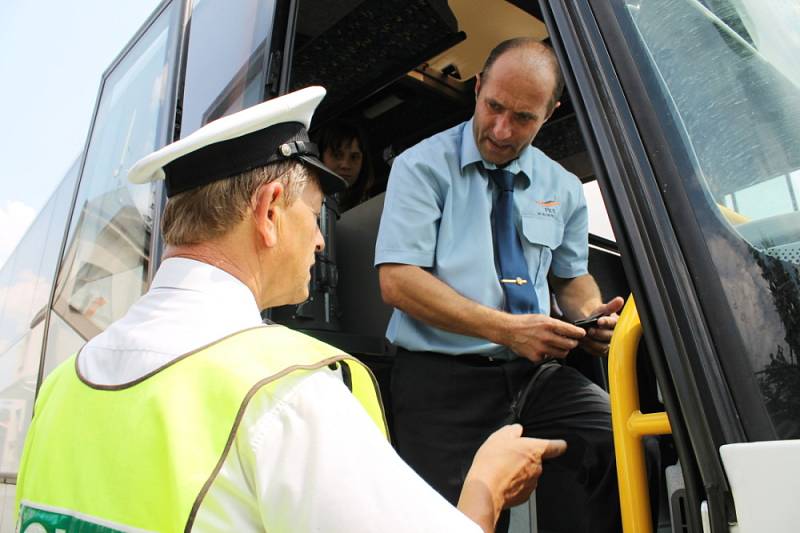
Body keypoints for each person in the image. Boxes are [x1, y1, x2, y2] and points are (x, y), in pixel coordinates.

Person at [15, 86, 566, 533]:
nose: (321, 241)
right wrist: (485, 488)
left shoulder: (61, 389)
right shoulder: (285, 390)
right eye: (315, 214)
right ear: (270, 211)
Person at [375, 39, 625, 533]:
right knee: (449, 519)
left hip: (534, 375)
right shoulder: (420, 167)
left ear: (550, 114)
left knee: (614, 439)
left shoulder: (564, 188)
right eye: (494, 107)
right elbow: (398, 282)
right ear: (477, 89)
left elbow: (571, 278)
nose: (502, 129)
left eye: (524, 118)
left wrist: (591, 317)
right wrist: (510, 329)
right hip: (440, 377)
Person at [315, 119, 377, 211]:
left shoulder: (375, 208)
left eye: (354, 157)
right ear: (320, 157)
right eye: (337, 155)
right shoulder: (301, 205)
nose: (345, 165)